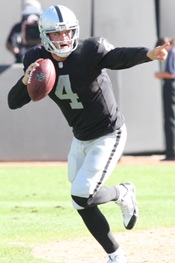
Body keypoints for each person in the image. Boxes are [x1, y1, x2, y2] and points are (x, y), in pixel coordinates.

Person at [8, 5, 168, 263]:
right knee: (81, 201)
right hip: (81, 136)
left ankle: (123, 193)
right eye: (57, 34)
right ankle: (116, 255)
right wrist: (26, 80)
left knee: (81, 194)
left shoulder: (89, 50)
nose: (63, 39)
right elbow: (13, 102)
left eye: (67, 32)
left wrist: (148, 54)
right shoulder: (36, 60)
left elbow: (118, 57)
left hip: (109, 132)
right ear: (45, 35)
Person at [155, 37, 175, 161]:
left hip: (171, 87)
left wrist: (159, 75)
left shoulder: (172, 52)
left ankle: (171, 152)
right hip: (170, 87)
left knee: (170, 119)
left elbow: (172, 74)